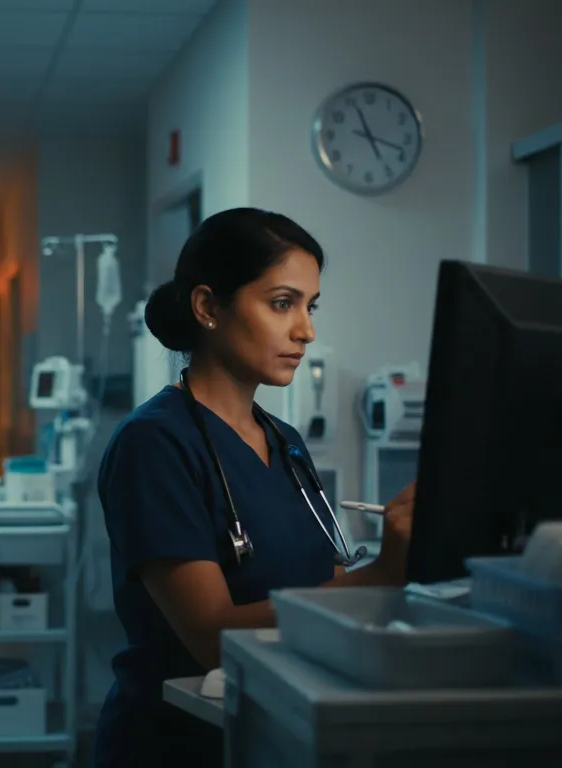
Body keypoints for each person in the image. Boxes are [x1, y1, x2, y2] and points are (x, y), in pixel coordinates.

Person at [92, 207, 415, 768]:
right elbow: (213, 638)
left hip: (285, 734)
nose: (306, 331)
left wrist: (407, 563)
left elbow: (329, 590)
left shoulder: (284, 442)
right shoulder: (155, 444)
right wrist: (385, 575)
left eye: (310, 307)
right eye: (282, 303)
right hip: (180, 746)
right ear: (208, 307)